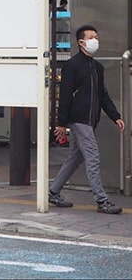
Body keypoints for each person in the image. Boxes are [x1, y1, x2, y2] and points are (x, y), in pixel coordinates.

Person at [49, 24, 125, 214]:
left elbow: (103, 95)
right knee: (93, 157)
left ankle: (53, 191)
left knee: (76, 158)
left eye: (96, 37)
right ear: (81, 42)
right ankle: (102, 201)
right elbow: (65, 95)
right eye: (91, 37)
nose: (95, 41)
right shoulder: (72, 66)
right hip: (79, 120)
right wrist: (61, 122)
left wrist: (116, 116)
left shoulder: (97, 67)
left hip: (90, 120)